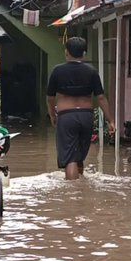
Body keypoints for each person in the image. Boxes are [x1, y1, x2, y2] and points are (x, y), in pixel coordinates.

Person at [46, 37, 116, 180]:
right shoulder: (92, 71)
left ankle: (74, 196)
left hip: (66, 116)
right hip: (86, 116)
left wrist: (53, 115)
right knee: (79, 157)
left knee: (70, 158)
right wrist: (111, 120)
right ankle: (81, 192)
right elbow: (101, 98)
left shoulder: (57, 71)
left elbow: (50, 97)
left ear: (66, 52)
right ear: (84, 53)